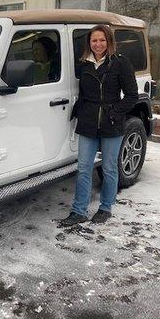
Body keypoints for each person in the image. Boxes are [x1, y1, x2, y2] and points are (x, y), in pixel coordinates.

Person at [61, 25, 138, 226]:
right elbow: (84, 93)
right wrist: (79, 111)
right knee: (84, 167)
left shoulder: (120, 63)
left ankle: (105, 207)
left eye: (102, 40)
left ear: (109, 42)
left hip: (111, 123)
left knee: (109, 168)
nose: (98, 44)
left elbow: (132, 96)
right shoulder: (84, 64)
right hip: (88, 123)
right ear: (89, 43)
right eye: (94, 40)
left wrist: (114, 112)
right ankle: (79, 211)